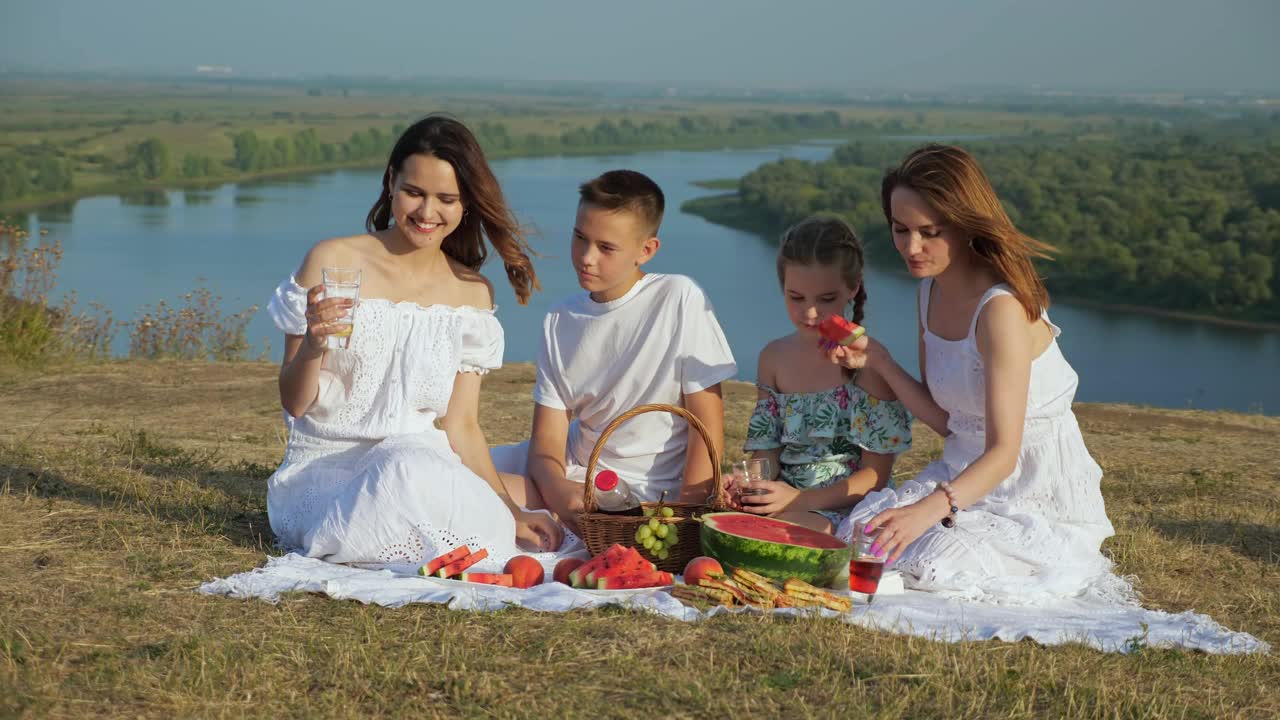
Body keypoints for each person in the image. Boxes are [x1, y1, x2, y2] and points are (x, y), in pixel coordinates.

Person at [264, 115, 565, 573]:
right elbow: (295, 402)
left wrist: (511, 512)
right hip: (326, 476)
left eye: (446, 199)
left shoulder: (472, 293)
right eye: (414, 193)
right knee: (407, 468)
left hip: (421, 468)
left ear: (467, 204)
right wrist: (312, 346)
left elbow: (461, 424)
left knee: (419, 464)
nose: (428, 213)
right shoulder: (331, 261)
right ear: (390, 183)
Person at [833, 144, 1128, 603]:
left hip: (1028, 489)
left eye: (929, 232)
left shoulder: (1000, 310)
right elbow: (949, 422)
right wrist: (882, 362)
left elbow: (1005, 453)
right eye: (900, 229)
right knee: (863, 535)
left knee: (928, 563)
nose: (911, 248)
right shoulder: (929, 293)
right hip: (962, 474)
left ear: (965, 223)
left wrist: (927, 511)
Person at [490, 170, 737, 532]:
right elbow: (547, 442)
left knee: (472, 496)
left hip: (640, 494)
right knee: (449, 471)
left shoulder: (678, 298)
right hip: (567, 476)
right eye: (579, 238)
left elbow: (707, 423)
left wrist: (685, 516)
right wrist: (558, 491)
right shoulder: (560, 318)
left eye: (606, 248)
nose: (587, 257)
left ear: (646, 250)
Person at [738, 216, 912, 533]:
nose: (810, 313)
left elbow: (876, 476)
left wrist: (801, 500)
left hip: (846, 508)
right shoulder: (773, 357)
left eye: (826, 299)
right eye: (796, 297)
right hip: (785, 503)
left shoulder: (869, 362)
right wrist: (752, 484)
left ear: (853, 287)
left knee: (780, 538)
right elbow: (768, 449)